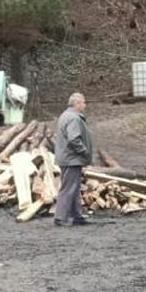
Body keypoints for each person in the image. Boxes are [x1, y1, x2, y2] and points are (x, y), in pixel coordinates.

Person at [54, 93, 94, 226]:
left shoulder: (65, 115)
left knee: (74, 188)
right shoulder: (73, 118)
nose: (85, 105)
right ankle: (60, 217)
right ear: (77, 104)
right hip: (71, 158)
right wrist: (84, 152)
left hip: (66, 157)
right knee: (69, 188)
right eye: (83, 102)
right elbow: (74, 139)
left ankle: (76, 216)